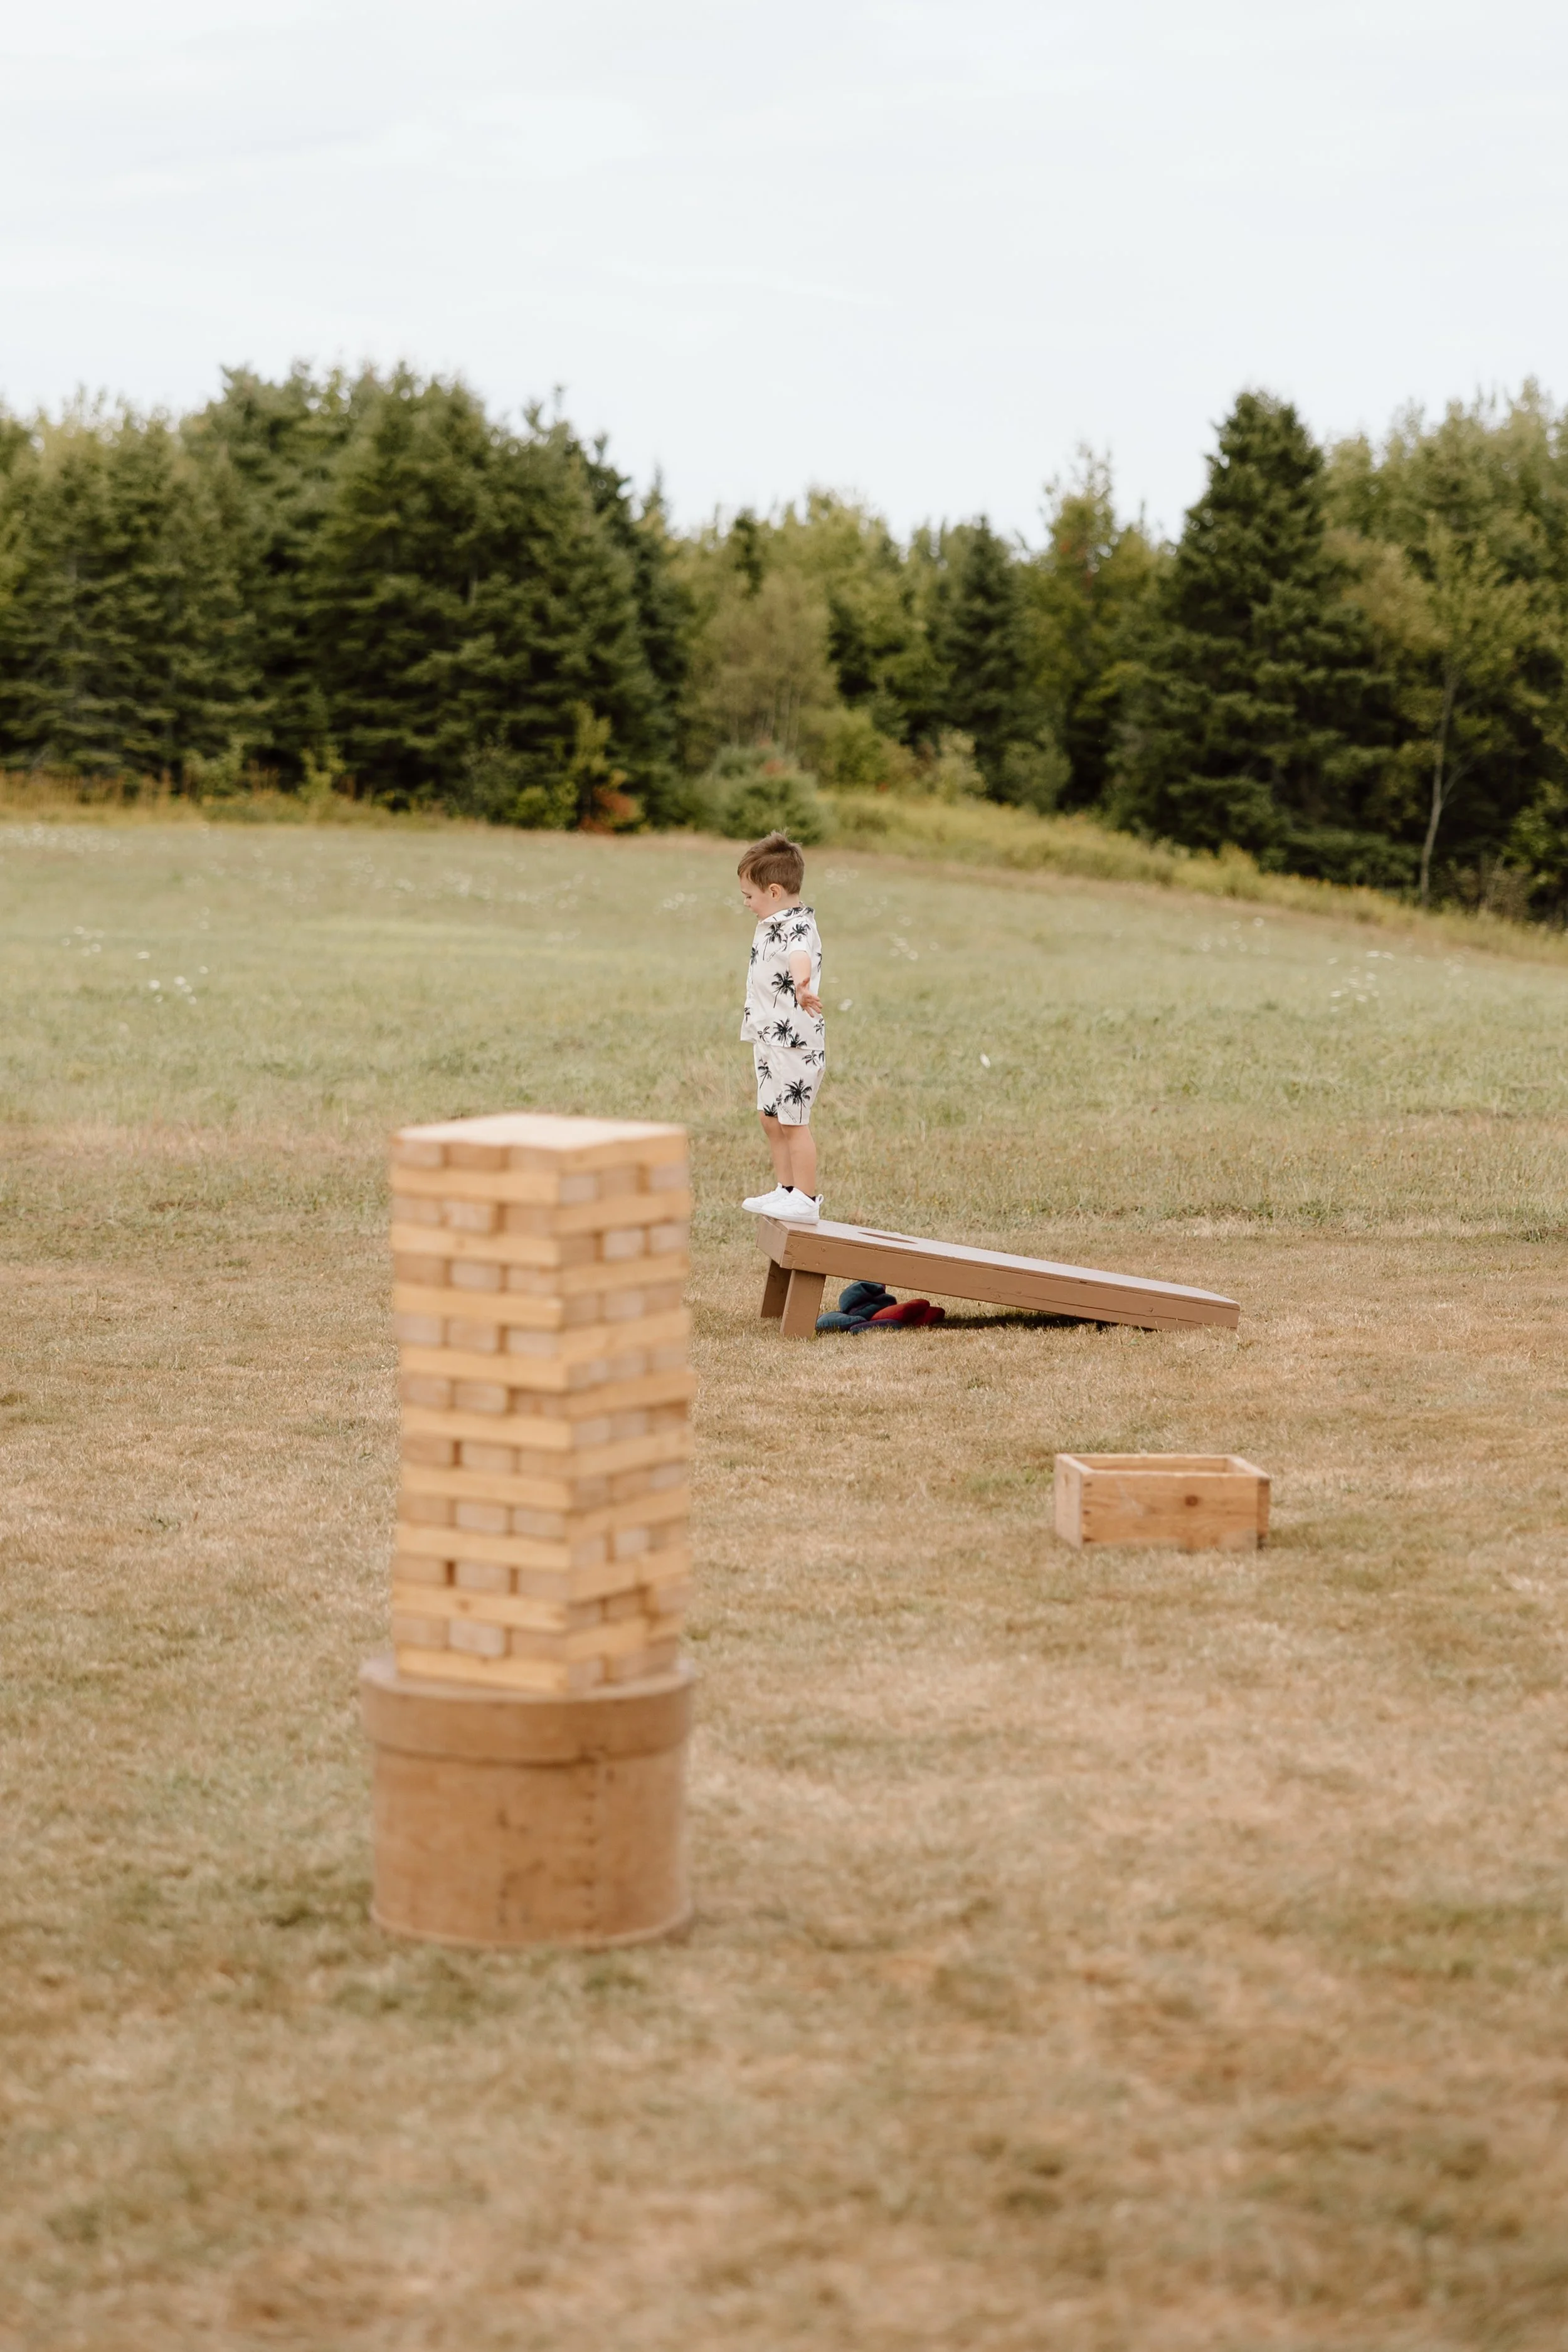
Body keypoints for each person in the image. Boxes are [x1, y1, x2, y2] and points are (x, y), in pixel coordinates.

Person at [735, 831, 826, 1223]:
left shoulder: (798, 927)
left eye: (749, 896)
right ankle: (785, 1190)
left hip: (795, 1043)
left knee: (794, 1122)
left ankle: (806, 1198)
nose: (746, 903)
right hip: (769, 1035)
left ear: (773, 892)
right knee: (770, 1118)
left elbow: (799, 956)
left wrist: (803, 986)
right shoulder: (775, 920)